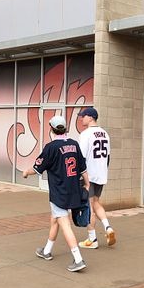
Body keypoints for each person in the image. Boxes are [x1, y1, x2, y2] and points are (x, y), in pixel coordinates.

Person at [23, 115, 90, 272]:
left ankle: (78, 259)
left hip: (59, 193)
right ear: (65, 129)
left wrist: (26, 172)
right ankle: (46, 251)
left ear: (51, 129)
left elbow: (37, 168)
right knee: (55, 220)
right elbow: (83, 168)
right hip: (74, 190)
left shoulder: (51, 147)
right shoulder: (74, 144)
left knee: (64, 223)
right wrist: (87, 184)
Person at [77, 106, 116, 249]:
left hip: (89, 174)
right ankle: (108, 228)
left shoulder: (86, 134)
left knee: (88, 207)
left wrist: (78, 176)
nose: (82, 118)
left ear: (91, 117)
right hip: (101, 173)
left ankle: (92, 239)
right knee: (96, 203)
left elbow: (81, 157)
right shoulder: (105, 133)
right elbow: (108, 157)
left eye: (84, 116)